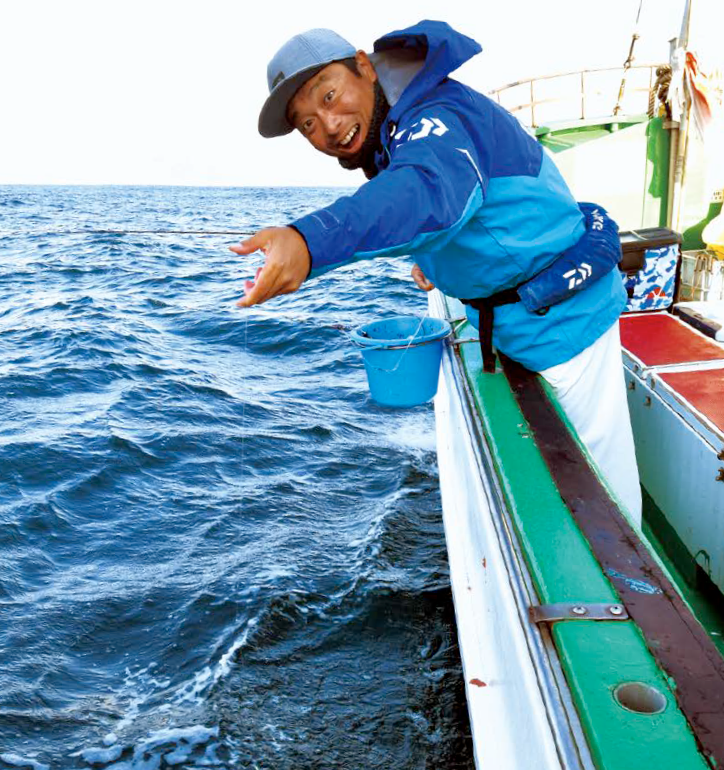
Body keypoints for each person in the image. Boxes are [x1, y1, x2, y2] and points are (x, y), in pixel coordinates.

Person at [231, 21, 642, 524]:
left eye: (330, 95)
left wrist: (308, 242)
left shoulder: (436, 115)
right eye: (308, 124)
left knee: (605, 503)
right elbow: (466, 209)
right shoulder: (394, 129)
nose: (329, 126)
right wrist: (438, 261)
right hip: (518, 324)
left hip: (565, 331)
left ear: (363, 66)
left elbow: (428, 191)